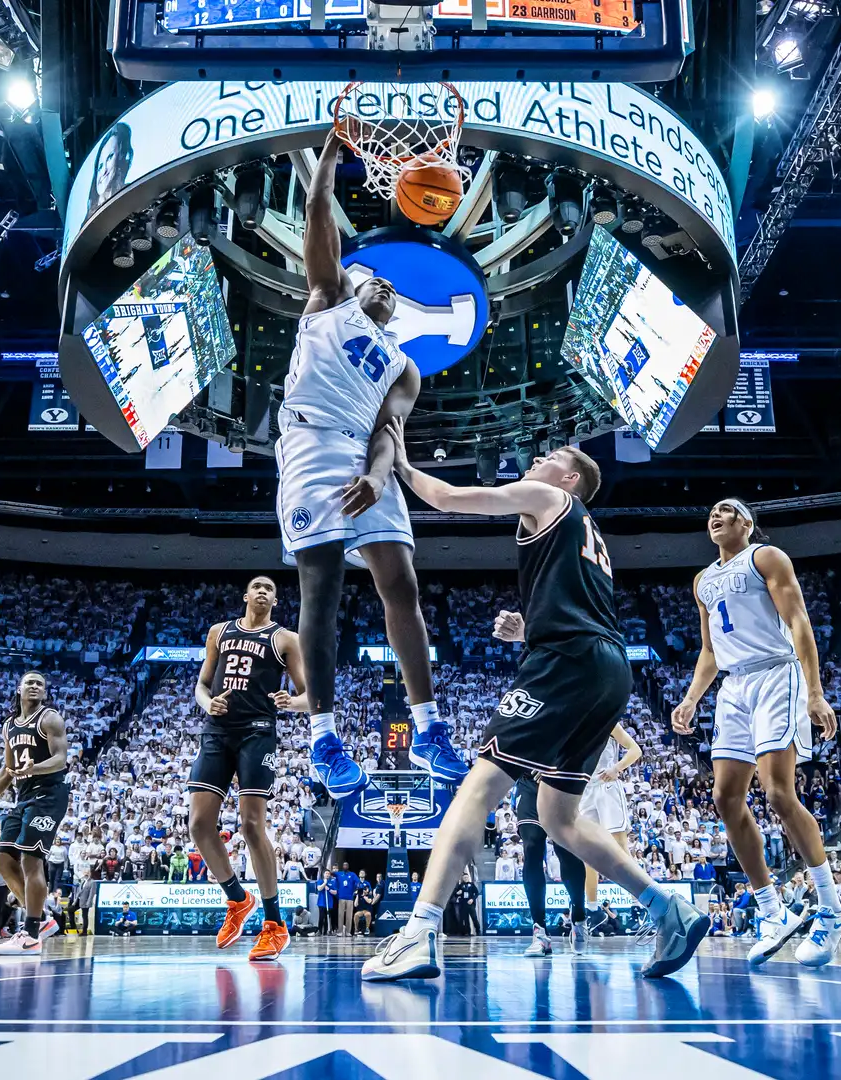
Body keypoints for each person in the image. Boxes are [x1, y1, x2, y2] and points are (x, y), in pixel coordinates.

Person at [360, 436, 708, 982]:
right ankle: (670, 910)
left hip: (567, 663)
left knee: (479, 784)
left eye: (551, 461)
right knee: (557, 816)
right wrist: (530, 630)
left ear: (569, 479)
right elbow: (582, 608)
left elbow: (449, 498)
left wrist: (399, 463)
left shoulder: (551, 500)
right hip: (606, 667)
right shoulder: (583, 529)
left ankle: (418, 932)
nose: (538, 462)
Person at [276, 125, 461, 799]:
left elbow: (390, 429)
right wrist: (328, 158)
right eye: (373, 278)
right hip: (310, 443)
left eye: (388, 286)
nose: (382, 285)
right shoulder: (327, 301)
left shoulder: (405, 367)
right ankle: (324, 739)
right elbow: (318, 215)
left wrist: (381, 473)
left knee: (401, 583)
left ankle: (429, 728)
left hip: (363, 452)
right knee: (320, 590)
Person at [669, 498, 841, 968]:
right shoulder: (702, 580)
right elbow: (710, 649)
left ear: (746, 523)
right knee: (726, 799)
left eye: (725, 509)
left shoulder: (766, 557)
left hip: (775, 674)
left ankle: (831, 906)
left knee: (779, 794)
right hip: (734, 686)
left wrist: (815, 691)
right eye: (710, 511)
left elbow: (798, 621)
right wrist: (690, 698)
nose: (714, 515)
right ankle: (771, 910)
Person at [188, 575, 305, 962]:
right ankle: (238, 899)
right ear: (244, 595)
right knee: (199, 825)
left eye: (269, 588)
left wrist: (292, 700)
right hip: (217, 730)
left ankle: (274, 924)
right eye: (256, 586)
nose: (262, 591)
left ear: (275, 599)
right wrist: (208, 705)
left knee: (251, 826)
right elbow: (201, 687)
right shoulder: (219, 632)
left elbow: (309, 694)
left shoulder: (286, 638)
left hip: (257, 731)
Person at [0, 672, 70, 956]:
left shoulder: (50, 718)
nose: (35, 686)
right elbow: (7, 770)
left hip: (49, 794)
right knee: (2, 859)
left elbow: (61, 758)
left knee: (31, 860)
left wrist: (33, 768)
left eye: (40, 684)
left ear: (44, 693)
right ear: (19, 689)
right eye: (30, 682)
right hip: (23, 797)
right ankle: (43, 919)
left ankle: (31, 934)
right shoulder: (9, 725)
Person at [513, 775, 589, 957]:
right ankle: (540, 932)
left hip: (561, 781)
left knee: (565, 849)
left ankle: (579, 915)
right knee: (531, 845)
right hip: (529, 781)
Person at [577, 724, 642, 932]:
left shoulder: (608, 721)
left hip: (607, 787)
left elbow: (635, 750)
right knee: (588, 852)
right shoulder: (573, 723)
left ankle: (638, 905)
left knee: (620, 847)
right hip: (585, 789)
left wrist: (617, 768)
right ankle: (593, 910)